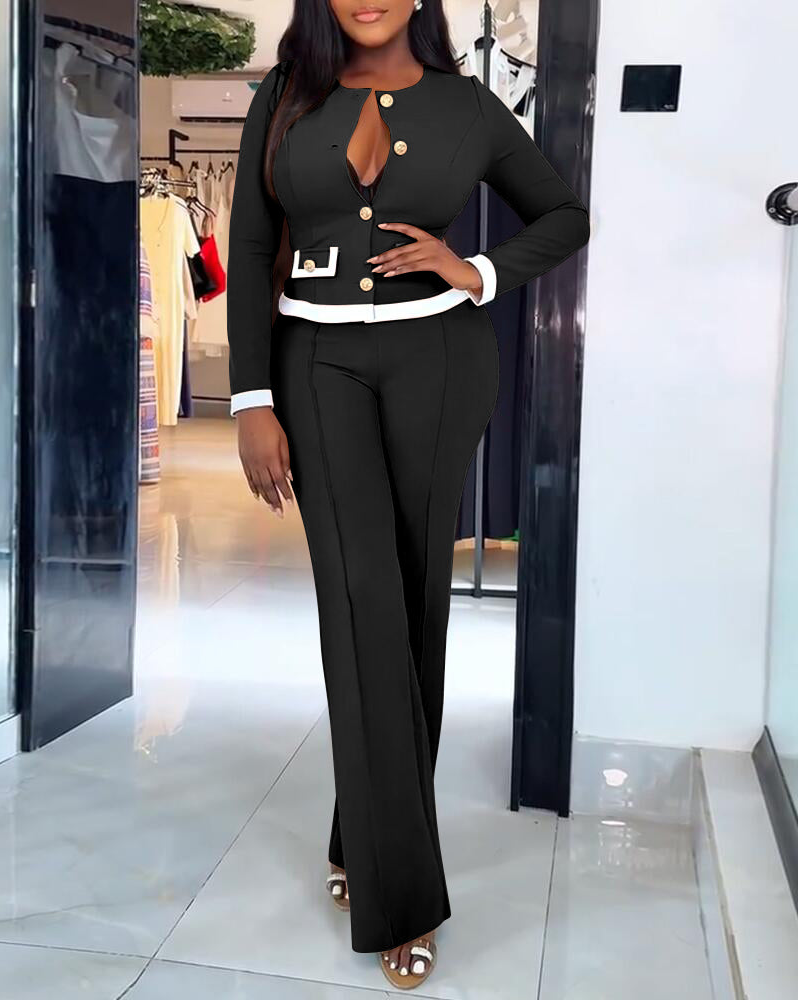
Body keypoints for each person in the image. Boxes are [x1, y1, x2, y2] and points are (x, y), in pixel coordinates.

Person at [226, 0, 589, 989]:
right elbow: (251, 244)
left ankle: (362, 835)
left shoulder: (466, 106)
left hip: (439, 362)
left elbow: (563, 216)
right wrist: (251, 398)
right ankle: (404, 899)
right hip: (315, 366)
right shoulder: (285, 96)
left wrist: (476, 270)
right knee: (360, 603)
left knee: (416, 606)